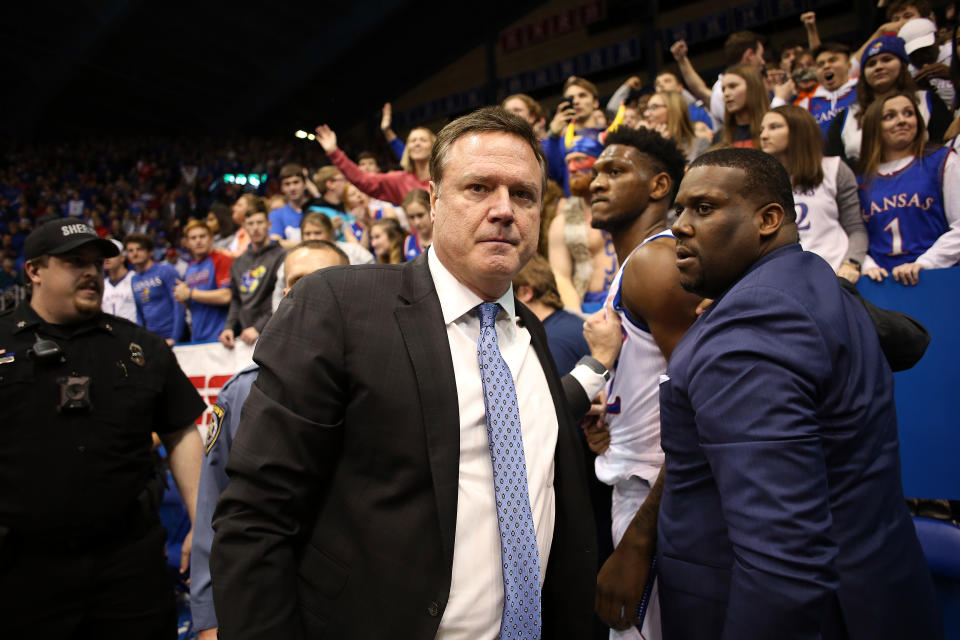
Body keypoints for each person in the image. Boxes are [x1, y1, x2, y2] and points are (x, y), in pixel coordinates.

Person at [210, 107, 622, 639]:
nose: (503, 210)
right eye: (478, 188)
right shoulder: (341, 306)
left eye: (523, 195)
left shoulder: (530, 336)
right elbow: (256, 518)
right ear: (433, 201)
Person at [661, 147, 942, 639]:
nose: (679, 226)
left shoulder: (753, 325)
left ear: (769, 219)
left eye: (703, 208)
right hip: (879, 595)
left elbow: (783, 561)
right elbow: (910, 340)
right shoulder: (813, 278)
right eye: (678, 210)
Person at [0, 218, 206, 638]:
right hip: (22, 569)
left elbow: (181, 432)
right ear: (34, 271)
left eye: (96, 262)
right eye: (75, 261)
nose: (91, 271)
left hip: (129, 565)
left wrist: (203, 527)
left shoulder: (141, 347)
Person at [192, 240, 350, 640]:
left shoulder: (386, 385)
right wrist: (210, 616)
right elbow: (215, 506)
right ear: (283, 297)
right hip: (269, 595)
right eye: (299, 282)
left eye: (327, 280)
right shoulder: (242, 393)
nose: (314, 292)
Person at [586, 127, 703, 640]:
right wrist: (609, 410)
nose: (596, 181)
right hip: (644, 485)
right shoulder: (635, 265)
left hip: (663, 499)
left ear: (660, 187)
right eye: (596, 171)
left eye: (615, 171)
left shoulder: (657, 263)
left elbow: (706, 406)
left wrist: (638, 542)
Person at [857, 92, 960, 285]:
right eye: (890, 116)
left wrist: (925, 263)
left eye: (908, 113)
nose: (902, 121)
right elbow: (855, 234)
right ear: (873, 126)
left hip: (939, 278)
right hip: (882, 284)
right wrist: (868, 267)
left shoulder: (943, 160)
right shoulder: (860, 180)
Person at [759, 105, 867, 280]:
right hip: (785, 278)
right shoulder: (761, 181)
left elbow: (856, 229)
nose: (764, 135)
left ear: (799, 130)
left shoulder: (834, 169)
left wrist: (851, 263)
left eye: (774, 127)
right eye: (762, 129)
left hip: (835, 273)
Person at [826, 35, 951, 167]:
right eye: (871, 64)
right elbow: (834, 165)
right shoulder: (846, 116)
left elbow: (945, 146)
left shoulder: (927, 100)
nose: (878, 67)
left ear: (902, 65)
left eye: (886, 59)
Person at [548, 135, 618, 313]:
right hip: (585, 304)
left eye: (580, 160)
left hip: (628, 300)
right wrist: (578, 318)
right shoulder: (561, 221)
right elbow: (560, 276)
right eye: (568, 162)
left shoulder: (626, 208)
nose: (572, 168)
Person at [219, 198, 285, 349]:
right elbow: (236, 299)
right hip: (246, 335)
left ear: (269, 225)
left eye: (260, 223)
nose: (255, 228)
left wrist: (259, 327)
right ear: (244, 227)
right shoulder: (238, 263)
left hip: (274, 332)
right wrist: (228, 327)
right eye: (250, 223)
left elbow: (281, 296)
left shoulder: (282, 256)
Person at [315, 122, 432, 206]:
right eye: (412, 141)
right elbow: (363, 179)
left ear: (434, 147)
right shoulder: (400, 180)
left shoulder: (444, 177)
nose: (417, 144)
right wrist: (334, 152)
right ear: (408, 149)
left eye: (423, 140)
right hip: (418, 240)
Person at [173, 220, 232, 343]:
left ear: (211, 239)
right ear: (187, 243)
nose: (198, 241)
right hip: (197, 336)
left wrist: (190, 294)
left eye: (202, 236)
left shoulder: (221, 259)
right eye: (193, 238)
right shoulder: (190, 268)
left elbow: (227, 296)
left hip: (221, 337)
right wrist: (183, 299)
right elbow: (194, 304)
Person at [127, 231, 184, 345]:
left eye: (139, 249)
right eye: (130, 250)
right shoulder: (134, 279)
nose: (135, 253)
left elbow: (179, 303)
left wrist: (175, 337)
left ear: (150, 252)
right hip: (151, 339)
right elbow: (139, 312)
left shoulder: (166, 270)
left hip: (171, 336)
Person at [797, 42, 858, 137]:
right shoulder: (805, 105)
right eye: (820, 64)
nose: (826, 66)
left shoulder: (863, 91)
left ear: (849, 65)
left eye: (832, 60)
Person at [640, 90, 711, 163]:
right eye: (647, 108)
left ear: (673, 109)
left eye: (654, 107)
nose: (646, 114)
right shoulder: (646, 146)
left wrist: (666, 148)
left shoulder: (699, 144)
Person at [714, 63, 770, 148]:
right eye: (723, 89)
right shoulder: (720, 137)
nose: (726, 94)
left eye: (732, 86)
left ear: (753, 87)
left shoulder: (773, 130)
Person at [268, 163, 309, 248]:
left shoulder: (316, 210)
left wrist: (285, 243)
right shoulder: (276, 214)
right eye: (287, 184)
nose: (292, 188)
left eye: (296, 182)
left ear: (305, 185)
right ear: (282, 188)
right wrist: (308, 243)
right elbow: (275, 245)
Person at [102, 238, 138, 322]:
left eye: (111, 255)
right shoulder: (102, 284)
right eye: (104, 255)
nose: (107, 259)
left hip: (134, 331)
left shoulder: (135, 278)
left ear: (122, 257)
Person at [402, 188, 433, 260]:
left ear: (432, 209)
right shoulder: (407, 243)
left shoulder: (444, 240)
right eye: (411, 217)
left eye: (420, 215)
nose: (417, 222)